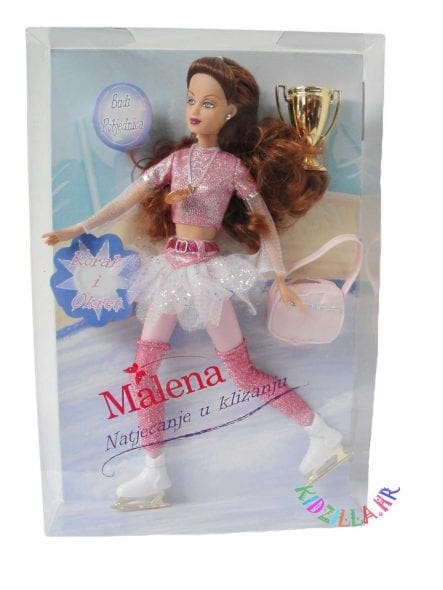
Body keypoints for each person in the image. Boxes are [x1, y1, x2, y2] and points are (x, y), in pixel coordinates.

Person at [43, 56, 350, 511]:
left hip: (206, 274)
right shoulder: (176, 162)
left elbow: (264, 221)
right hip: (169, 271)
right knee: (143, 370)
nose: (195, 110)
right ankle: (154, 470)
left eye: (208, 103)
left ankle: (321, 433)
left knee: (240, 371)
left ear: (230, 112)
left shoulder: (231, 169)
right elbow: (127, 200)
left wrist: (279, 274)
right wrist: (79, 228)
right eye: (191, 100)